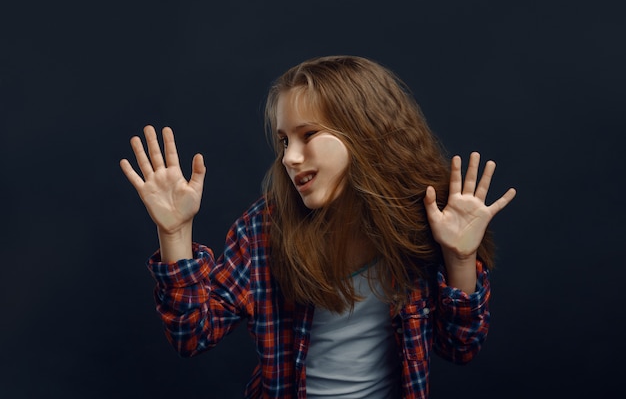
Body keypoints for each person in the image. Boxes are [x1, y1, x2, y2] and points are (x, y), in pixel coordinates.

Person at [120, 55, 516, 398]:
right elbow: (192, 335)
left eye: (308, 135)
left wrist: (459, 258)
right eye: (283, 141)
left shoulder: (426, 226)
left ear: (366, 132)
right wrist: (174, 234)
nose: (290, 157)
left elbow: (459, 348)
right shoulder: (264, 231)